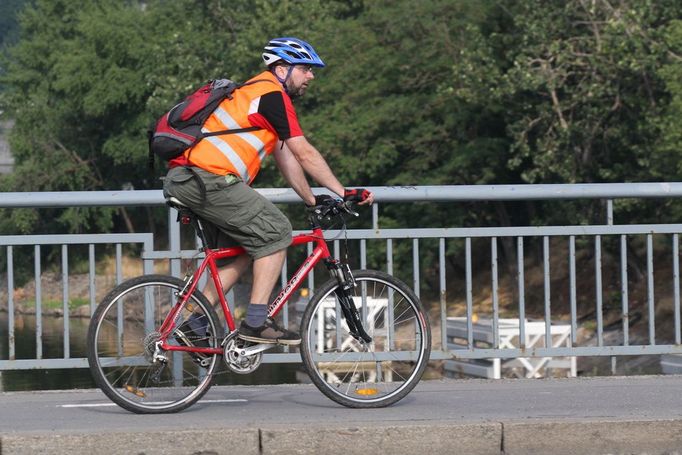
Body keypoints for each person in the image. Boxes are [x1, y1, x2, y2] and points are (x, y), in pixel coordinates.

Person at [163, 37, 374, 346]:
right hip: (208, 180)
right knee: (276, 233)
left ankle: (195, 323)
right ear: (282, 68)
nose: (310, 77)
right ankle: (256, 323)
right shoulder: (272, 96)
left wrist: (312, 199)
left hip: (192, 179)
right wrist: (343, 191)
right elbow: (305, 153)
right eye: (305, 69)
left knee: (242, 254)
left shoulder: (255, 94)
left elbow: (287, 156)